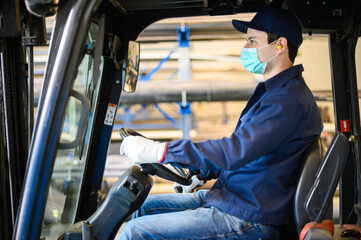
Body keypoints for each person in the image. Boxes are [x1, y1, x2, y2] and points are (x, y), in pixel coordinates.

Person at [119, 6, 323, 240]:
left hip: (251, 217)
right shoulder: (276, 93)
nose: (245, 48)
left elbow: (234, 151)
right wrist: (200, 172)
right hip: (235, 198)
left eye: (252, 41)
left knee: (136, 232)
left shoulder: (287, 101)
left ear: (280, 45)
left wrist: (159, 150)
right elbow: (248, 151)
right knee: (140, 206)